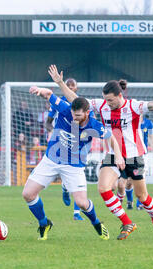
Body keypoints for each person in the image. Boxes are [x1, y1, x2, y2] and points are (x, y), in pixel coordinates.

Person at [49, 64, 153, 240]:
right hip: (112, 156)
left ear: (119, 95)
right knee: (103, 188)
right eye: (105, 100)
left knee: (142, 196)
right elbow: (76, 100)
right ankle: (126, 222)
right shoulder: (102, 106)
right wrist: (60, 83)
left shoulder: (134, 106)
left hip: (134, 157)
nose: (107, 103)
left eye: (110, 100)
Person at [23, 85, 125, 241]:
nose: (74, 118)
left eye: (78, 116)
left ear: (87, 113)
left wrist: (118, 156)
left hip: (74, 166)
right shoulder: (65, 110)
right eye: (73, 114)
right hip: (51, 160)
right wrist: (38, 89)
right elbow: (49, 94)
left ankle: (96, 223)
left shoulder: (94, 125)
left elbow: (111, 138)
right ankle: (44, 223)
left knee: (82, 203)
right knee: (28, 194)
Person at [46, 78, 88, 221]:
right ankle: (65, 188)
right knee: (68, 170)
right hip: (62, 140)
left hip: (78, 142)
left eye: (72, 85)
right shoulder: (58, 102)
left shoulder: (82, 103)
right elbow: (48, 122)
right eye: (68, 84)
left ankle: (77, 213)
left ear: (76, 88)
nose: (70, 87)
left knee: (78, 173)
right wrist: (54, 133)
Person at [126, 114, 153, 210]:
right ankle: (129, 201)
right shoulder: (128, 121)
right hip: (130, 153)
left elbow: (151, 137)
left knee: (140, 178)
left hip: (142, 154)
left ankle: (139, 203)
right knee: (129, 182)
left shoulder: (149, 123)